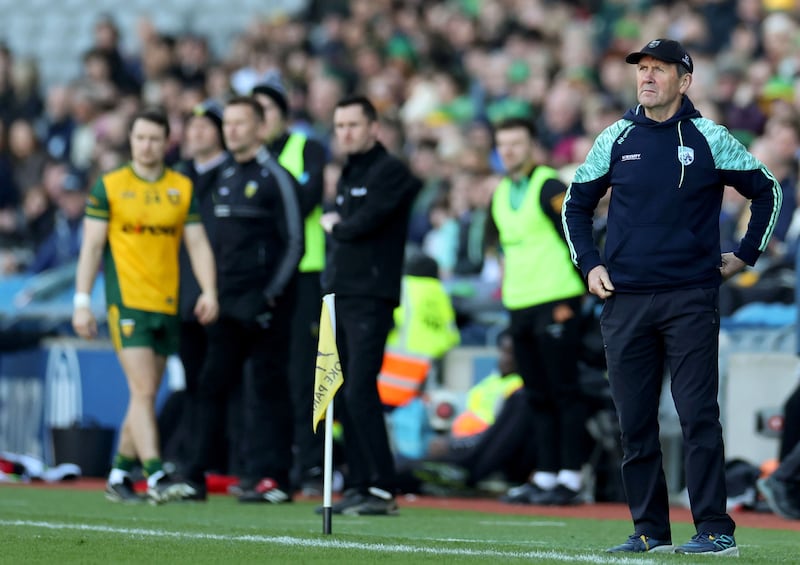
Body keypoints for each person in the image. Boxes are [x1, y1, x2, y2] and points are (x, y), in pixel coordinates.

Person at [562, 39, 782, 556]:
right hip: (625, 301)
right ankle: (649, 529)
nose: (647, 77)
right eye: (642, 69)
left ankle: (714, 528)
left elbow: (768, 188)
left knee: (697, 415)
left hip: (689, 297)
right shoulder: (615, 137)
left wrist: (747, 255)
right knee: (634, 422)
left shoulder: (709, 137)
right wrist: (589, 265)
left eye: (659, 69)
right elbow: (575, 203)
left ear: (685, 80)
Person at [71, 107, 219, 504]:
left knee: (145, 394)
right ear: (131, 140)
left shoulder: (180, 188)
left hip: (166, 303)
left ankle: (119, 473)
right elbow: (91, 247)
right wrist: (83, 301)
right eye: (140, 138)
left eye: (154, 138)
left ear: (166, 141)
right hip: (128, 303)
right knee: (142, 389)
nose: (146, 145)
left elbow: (198, 243)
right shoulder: (111, 186)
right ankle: (154, 474)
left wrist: (209, 290)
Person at [173, 96, 304, 503]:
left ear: (260, 128)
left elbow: (294, 242)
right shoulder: (223, 175)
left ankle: (273, 477)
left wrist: (269, 296)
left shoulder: (275, 176)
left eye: (240, 123)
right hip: (226, 304)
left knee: (268, 389)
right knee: (211, 387)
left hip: (264, 306)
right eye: (227, 123)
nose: (231, 130)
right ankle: (196, 474)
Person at [319, 94, 421, 515]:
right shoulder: (350, 170)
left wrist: (338, 225)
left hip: (370, 296)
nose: (345, 133)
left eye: (353, 125)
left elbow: (363, 223)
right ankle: (359, 483)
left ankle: (383, 486)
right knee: (343, 392)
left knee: (361, 386)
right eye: (339, 126)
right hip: (342, 293)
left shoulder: (390, 171)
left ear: (373, 128)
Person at [485, 117, 588, 506]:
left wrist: (586, 284)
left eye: (516, 143)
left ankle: (571, 476)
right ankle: (545, 475)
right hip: (520, 304)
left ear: (532, 146)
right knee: (536, 393)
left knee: (565, 390)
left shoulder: (549, 185)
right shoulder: (500, 193)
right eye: (503, 144)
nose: (509, 150)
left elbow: (575, 232)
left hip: (557, 299)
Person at [251, 76, 329, 494]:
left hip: (303, 273)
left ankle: (314, 466)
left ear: (283, 115)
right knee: (263, 376)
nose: (261, 122)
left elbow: (306, 200)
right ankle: (268, 466)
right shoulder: (246, 159)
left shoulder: (307, 148)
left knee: (304, 375)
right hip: (261, 277)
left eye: (267, 112)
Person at [159, 100, 229, 474]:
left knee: (219, 383)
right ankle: (192, 459)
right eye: (192, 127)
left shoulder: (235, 174)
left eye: (205, 127)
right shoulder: (177, 177)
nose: (196, 133)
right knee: (192, 381)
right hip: (181, 297)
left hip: (224, 296)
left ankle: (218, 459)